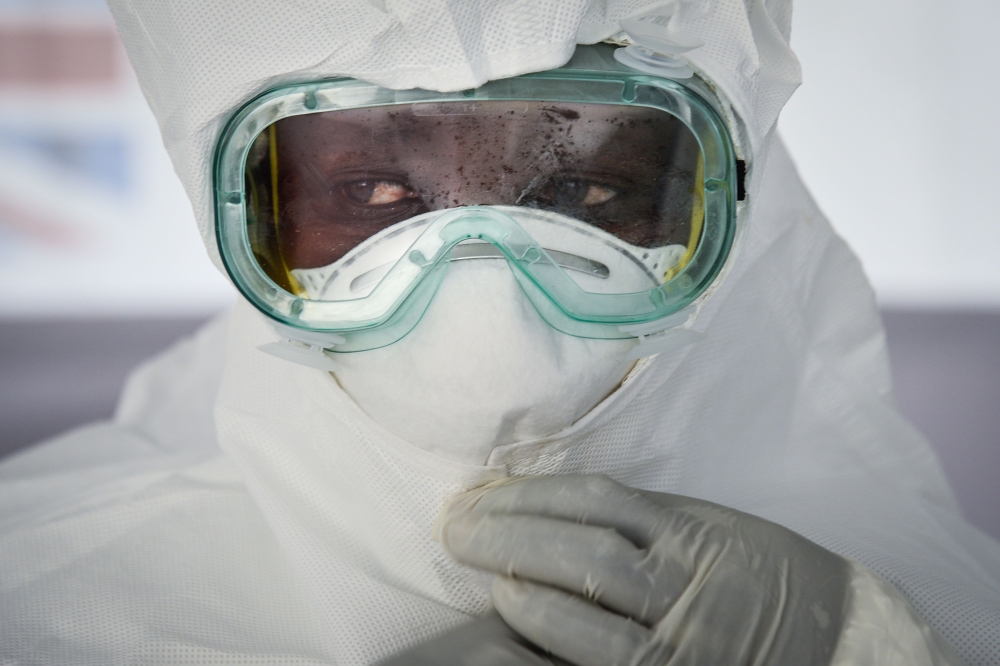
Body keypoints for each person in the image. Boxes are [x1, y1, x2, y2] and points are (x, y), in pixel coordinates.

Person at [1, 1, 998, 664]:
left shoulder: (946, 610)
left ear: (737, 193)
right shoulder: (48, 609)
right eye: (373, 193)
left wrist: (861, 642)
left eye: (583, 190)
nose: (491, 319)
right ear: (236, 220)